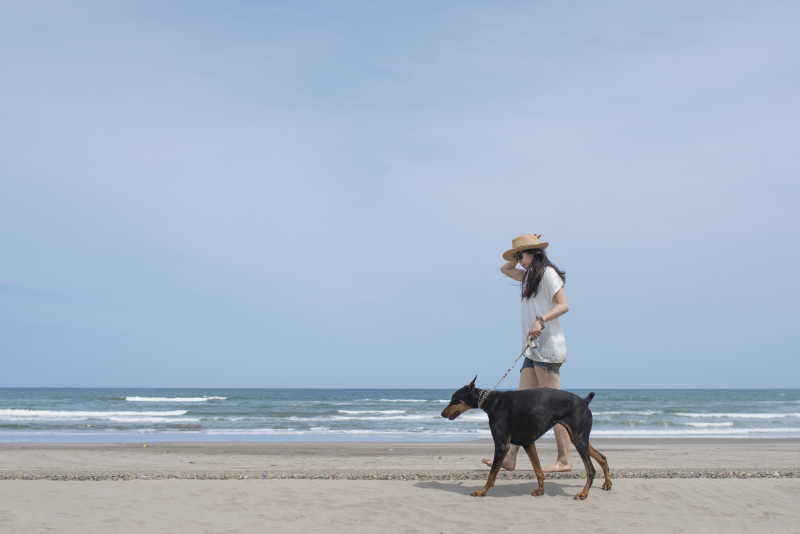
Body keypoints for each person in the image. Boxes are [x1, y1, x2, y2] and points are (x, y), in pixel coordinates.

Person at [481, 233, 572, 473]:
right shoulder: (528, 277)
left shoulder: (548, 274)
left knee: (557, 409)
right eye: (518, 255)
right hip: (532, 351)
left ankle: (564, 460)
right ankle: (509, 458)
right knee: (520, 407)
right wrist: (518, 251)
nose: (519, 260)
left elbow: (564, 305)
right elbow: (505, 268)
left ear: (535, 254)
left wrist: (541, 320)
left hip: (549, 349)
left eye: (522, 255)